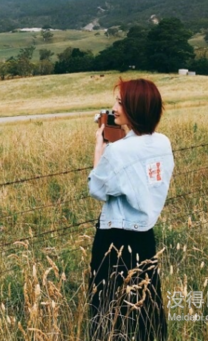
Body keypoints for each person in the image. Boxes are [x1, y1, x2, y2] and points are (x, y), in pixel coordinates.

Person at [87, 78, 174, 340]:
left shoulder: (118, 151)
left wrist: (100, 146)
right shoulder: (162, 142)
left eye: (121, 102)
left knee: (107, 308)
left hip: (115, 239)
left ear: (135, 108)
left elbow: (97, 188)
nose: (114, 107)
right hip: (145, 237)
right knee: (144, 305)